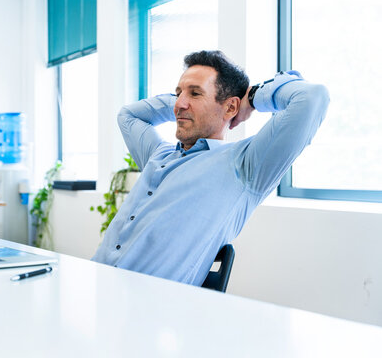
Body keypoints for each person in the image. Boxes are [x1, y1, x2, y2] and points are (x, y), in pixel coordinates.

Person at [91, 50, 330, 286]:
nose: (179, 104)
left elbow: (311, 98)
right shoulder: (158, 154)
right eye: (177, 94)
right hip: (94, 285)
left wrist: (254, 97)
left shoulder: (243, 165)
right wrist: (185, 103)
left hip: (146, 309)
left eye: (195, 93)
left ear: (230, 108)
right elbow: (128, 115)